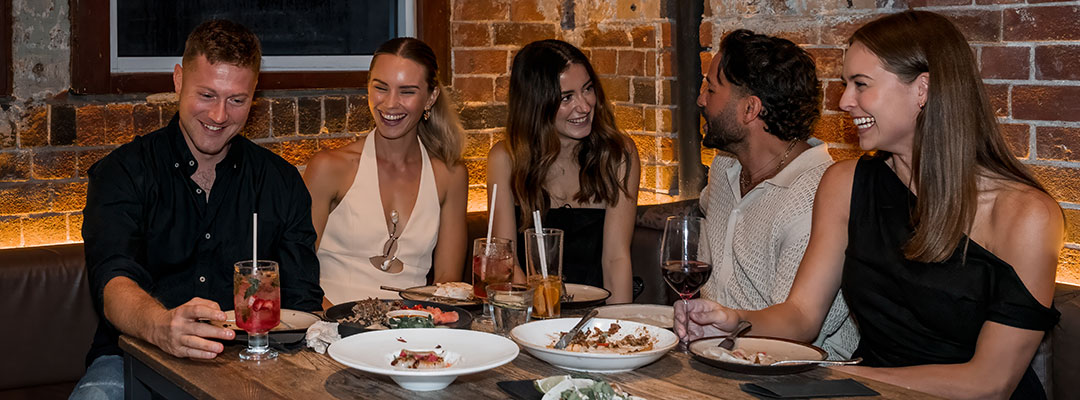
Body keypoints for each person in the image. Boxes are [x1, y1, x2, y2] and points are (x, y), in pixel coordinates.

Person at [676, 11, 1062, 399]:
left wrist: (842, 381)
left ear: (923, 89)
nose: (845, 101)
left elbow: (991, 383)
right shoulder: (844, 184)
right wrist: (735, 321)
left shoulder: (1027, 215)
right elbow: (802, 317)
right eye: (846, 85)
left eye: (861, 84)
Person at [72, 20, 324, 399]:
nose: (219, 116)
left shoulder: (281, 182)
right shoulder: (123, 172)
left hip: (252, 364)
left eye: (236, 100)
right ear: (178, 80)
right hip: (133, 360)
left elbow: (302, 300)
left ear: (254, 96)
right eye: (206, 95)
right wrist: (160, 325)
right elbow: (113, 283)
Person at [695, 30, 858, 359]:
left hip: (794, 377)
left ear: (750, 109)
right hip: (711, 357)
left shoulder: (815, 196)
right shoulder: (725, 169)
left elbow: (795, 333)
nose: (700, 100)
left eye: (711, 89)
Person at [304, 37, 467, 307]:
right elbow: (299, 271)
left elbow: (446, 283)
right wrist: (338, 326)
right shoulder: (330, 167)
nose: (390, 104)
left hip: (409, 330)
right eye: (381, 88)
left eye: (407, 91)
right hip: (329, 327)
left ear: (431, 97)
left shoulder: (450, 175)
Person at [487, 39, 639, 304]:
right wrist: (537, 321)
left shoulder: (617, 155)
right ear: (536, 104)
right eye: (566, 98)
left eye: (588, 89)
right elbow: (508, 265)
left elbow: (616, 258)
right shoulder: (505, 159)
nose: (584, 106)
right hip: (531, 311)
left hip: (596, 316)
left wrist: (618, 329)